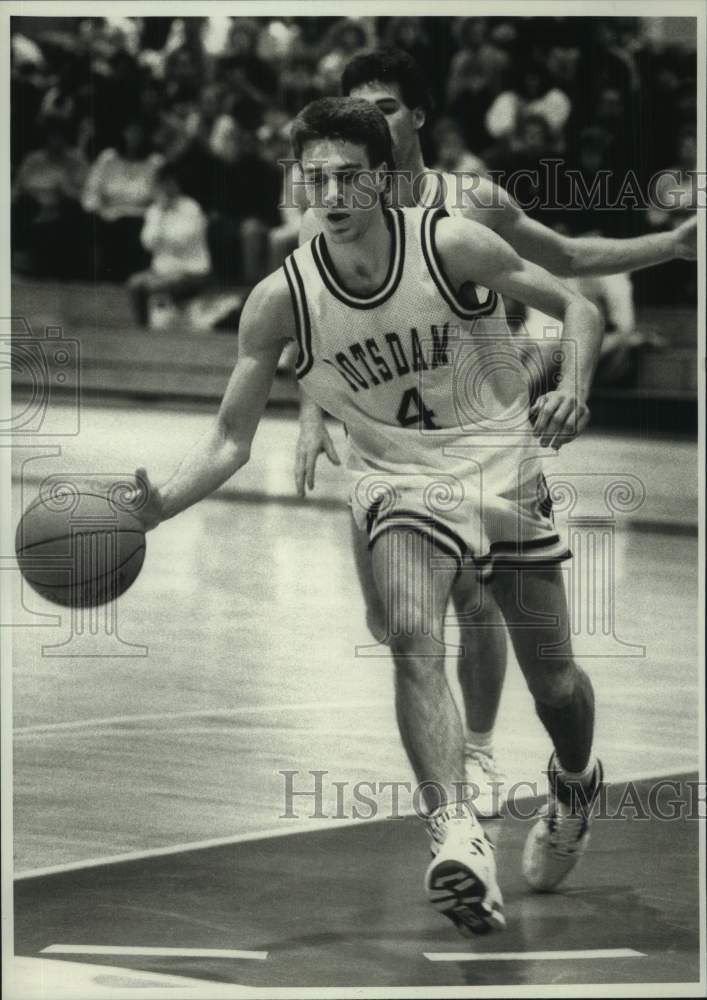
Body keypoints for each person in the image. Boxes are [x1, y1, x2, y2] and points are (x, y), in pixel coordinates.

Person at [133, 97, 607, 937]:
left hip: (501, 464)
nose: (331, 191)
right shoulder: (279, 299)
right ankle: (455, 834)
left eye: (348, 175)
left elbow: (579, 306)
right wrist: (156, 506)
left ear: (384, 178)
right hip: (396, 481)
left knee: (558, 687)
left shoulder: (448, 241)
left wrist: (571, 386)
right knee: (411, 637)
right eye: (314, 176)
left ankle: (575, 783)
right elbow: (228, 440)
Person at [293, 48, 697, 817]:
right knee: (393, 626)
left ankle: (478, 757)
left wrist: (669, 247)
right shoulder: (327, 209)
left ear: (415, 118)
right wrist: (312, 417)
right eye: (352, 109)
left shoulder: (467, 202)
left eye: (381, 108)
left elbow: (571, 263)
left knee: (486, 612)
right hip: (385, 449)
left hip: (483, 449)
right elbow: (313, 328)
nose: (364, 122)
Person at [127, 162, 211, 328]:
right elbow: (148, 242)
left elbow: (182, 240)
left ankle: (167, 324)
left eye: (170, 183)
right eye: (163, 183)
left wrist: (162, 237)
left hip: (191, 272)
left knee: (157, 286)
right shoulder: (154, 210)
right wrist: (162, 214)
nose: (167, 187)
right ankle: (142, 330)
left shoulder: (191, 208)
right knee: (135, 283)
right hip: (162, 271)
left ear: (176, 184)